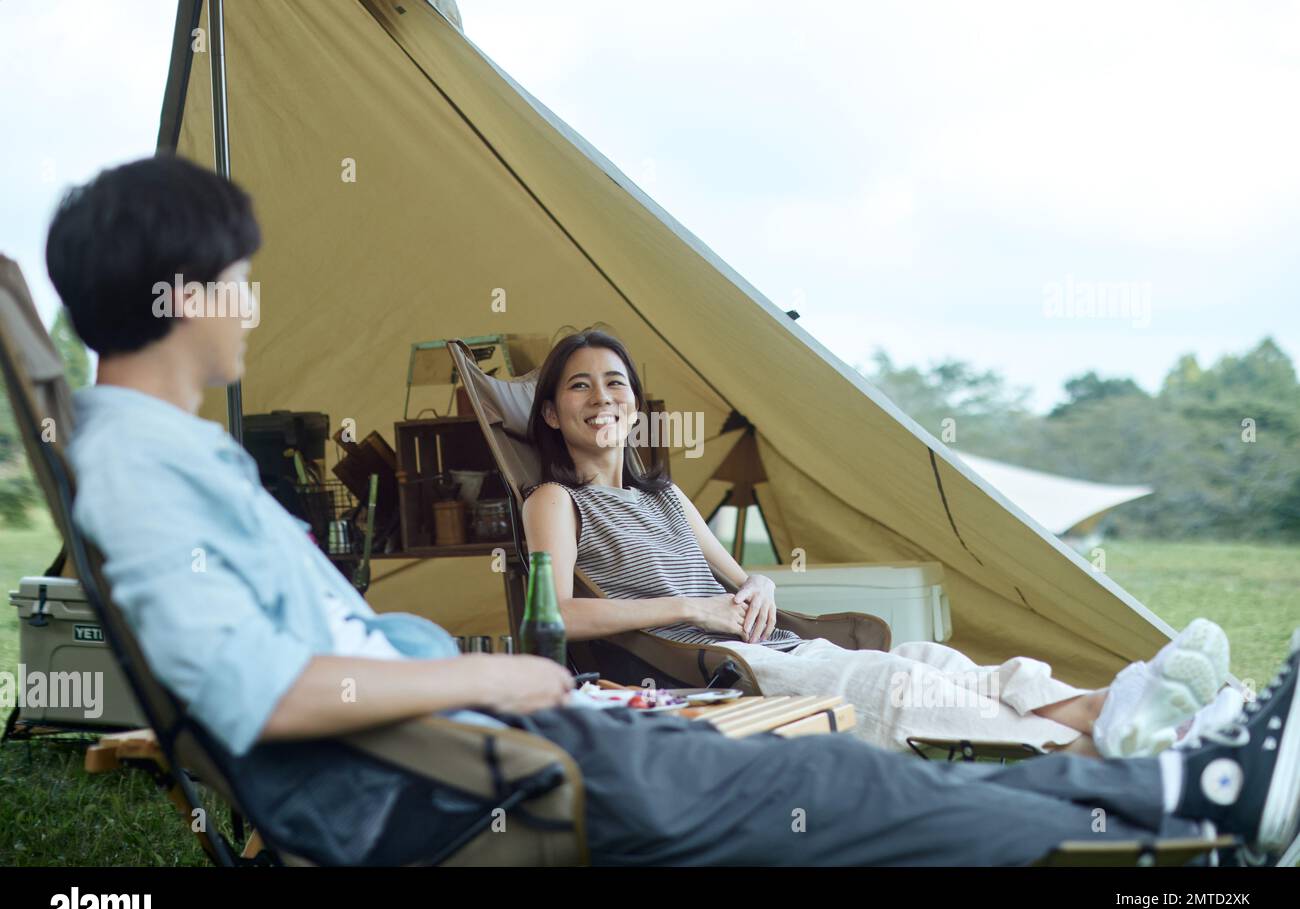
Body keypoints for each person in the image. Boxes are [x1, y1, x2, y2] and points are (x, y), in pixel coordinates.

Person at [48, 154, 1300, 866]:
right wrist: (511, 683)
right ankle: (1177, 812)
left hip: (472, 744)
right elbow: (269, 693)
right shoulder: (143, 475)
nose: (254, 307)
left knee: (835, 768)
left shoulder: (161, 457)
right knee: (847, 793)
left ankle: (1182, 786)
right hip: (452, 778)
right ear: (181, 293)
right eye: (241, 284)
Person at [520, 328, 1245, 758]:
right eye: (579, 387)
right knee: (903, 690)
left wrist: (760, 588)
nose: (601, 397)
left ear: (635, 402)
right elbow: (551, 615)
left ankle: (1119, 709)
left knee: (935, 659)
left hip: (780, 650)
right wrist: (697, 609)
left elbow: (746, 579)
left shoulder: (666, 495)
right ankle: (1134, 730)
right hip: (719, 670)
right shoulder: (557, 500)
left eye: (614, 382)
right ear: (552, 413)